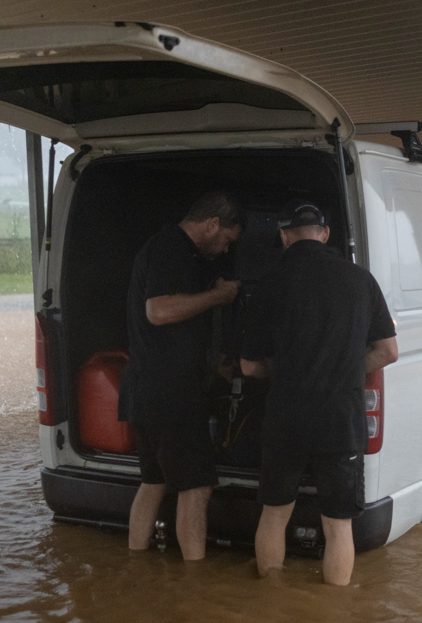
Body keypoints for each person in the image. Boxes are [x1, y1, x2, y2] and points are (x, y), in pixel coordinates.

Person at [240, 202, 398, 586]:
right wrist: (343, 369)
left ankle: (270, 601)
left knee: (274, 514)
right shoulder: (361, 280)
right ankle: (334, 615)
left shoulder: (267, 283)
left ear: (284, 236)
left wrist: (287, 372)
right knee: (338, 524)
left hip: (286, 417)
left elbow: (248, 367)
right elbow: (388, 351)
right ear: (325, 234)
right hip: (339, 419)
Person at [119, 191, 243, 560]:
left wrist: (211, 366)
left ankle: (135, 565)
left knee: (153, 483)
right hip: (170, 396)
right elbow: (158, 311)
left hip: (144, 391)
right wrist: (218, 297)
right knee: (197, 487)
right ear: (211, 224)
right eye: (226, 240)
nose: (224, 250)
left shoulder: (172, 249)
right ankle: (194, 582)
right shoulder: (170, 249)